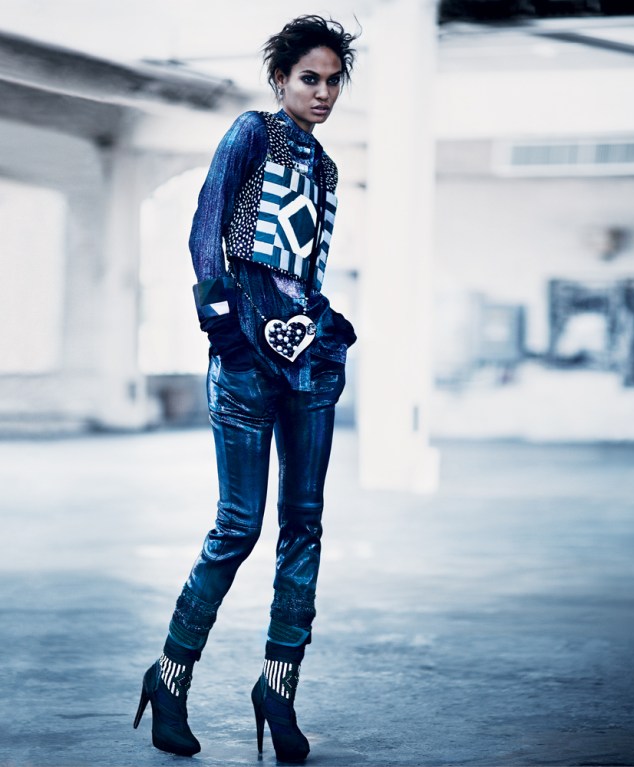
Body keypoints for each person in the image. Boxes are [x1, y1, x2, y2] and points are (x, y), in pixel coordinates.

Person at [133, 15, 358, 762]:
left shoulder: (326, 168)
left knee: (305, 524)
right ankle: (170, 678)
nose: (322, 93)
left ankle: (278, 690)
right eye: (309, 78)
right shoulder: (252, 134)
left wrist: (325, 322)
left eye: (332, 81)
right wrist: (223, 328)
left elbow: (305, 265)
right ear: (280, 79)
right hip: (243, 356)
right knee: (238, 525)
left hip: (309, 360)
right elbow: (206, 232)